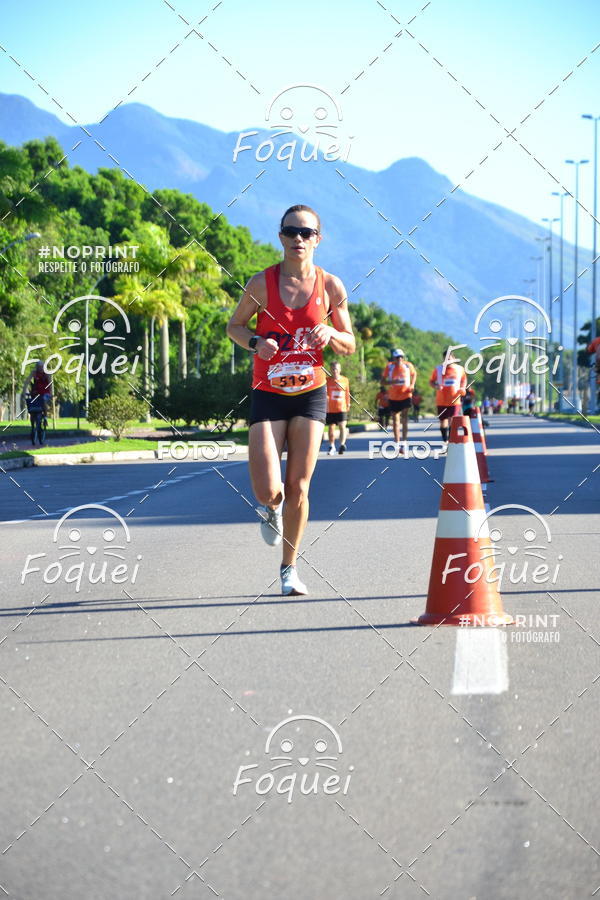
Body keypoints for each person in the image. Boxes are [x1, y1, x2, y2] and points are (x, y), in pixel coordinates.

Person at [227, 204, 355, 596]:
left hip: (310, 396)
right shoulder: (261, 284)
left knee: (299, 485)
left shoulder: (331, 287)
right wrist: (254, 342)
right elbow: (234, 326)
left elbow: (349, 344)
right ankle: (271, 508)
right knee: (270, 489)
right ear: (280, 236)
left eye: (306, 232)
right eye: (291, 231)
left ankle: (289, 568)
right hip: (268, 393)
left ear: (318, 238)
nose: (298, 239)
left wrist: (328, 333)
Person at [429, 349, 466, 449]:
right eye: (446, 359)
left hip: (455, 400)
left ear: (453, 358)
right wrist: (436, 386)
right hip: (441, 400)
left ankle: (451, 441)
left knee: (452, 420)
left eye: (450, 358)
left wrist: (462, 388)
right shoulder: (438, 369)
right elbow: (431, 381)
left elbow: (463, 380)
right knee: (443, 421)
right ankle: (445, 440)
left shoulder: (460, 369)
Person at [382, 348, 416, 455]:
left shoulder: (408, 365)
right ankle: (397, 442)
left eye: (401, 357)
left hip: (406, 395)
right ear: (394, 358)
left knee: (404, 419)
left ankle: (404, 442)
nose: (400, 359)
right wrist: (392, 381)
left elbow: (414, 374)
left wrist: (412, 385)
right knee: (396, 421)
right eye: (397, 357)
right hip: (393, 397)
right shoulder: (389, 367)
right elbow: (382, 382)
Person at [325, 361, 350, 454]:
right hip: (330, 409)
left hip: (342, 408)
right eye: (333, 369)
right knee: (331, 428)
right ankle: (332, 446)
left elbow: (347, 393)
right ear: (330, 370)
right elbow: (324, 394)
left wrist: (348, 403)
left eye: (336, 369)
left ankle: (342, 444)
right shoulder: (327, 380)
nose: (335, 371)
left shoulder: (345, 380)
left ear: (339, 369)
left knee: (342, 426)